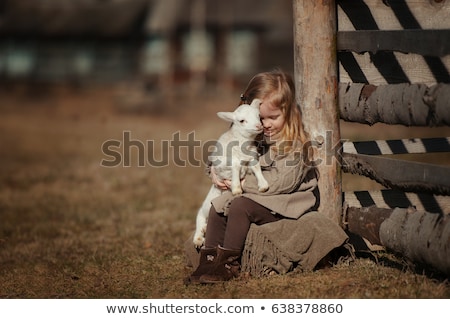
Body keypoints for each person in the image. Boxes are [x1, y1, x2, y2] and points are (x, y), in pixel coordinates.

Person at [185, 69, 349, 285]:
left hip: (283, 203)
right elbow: (224, 153)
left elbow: (281, 182)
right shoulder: (252, 136)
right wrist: (215, 172)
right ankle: (208, 261)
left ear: (289, 113)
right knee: (218, 205)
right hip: (258, 198)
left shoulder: (295, 145)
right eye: (261, 118)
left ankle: (228, 264)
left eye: (274, 117)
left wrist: (244, 182)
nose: (265, 124)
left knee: (239, 206)